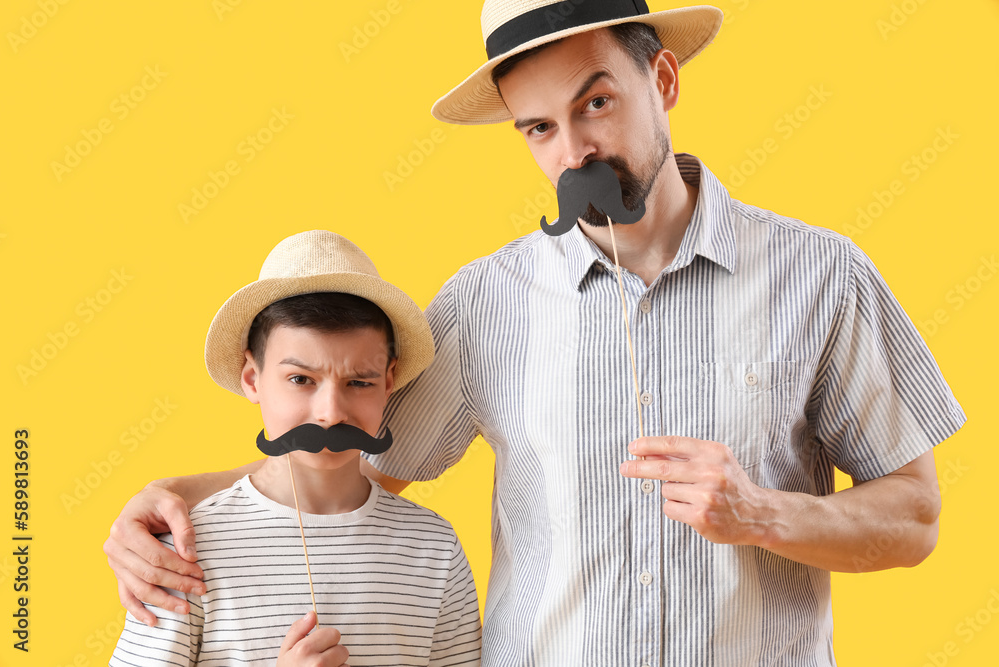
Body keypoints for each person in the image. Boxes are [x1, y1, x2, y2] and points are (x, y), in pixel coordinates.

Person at [104, 2, 966, 665]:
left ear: (662, 81)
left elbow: (915, 516)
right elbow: (344, 451)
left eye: (596, 103)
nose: (574, 153)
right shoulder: (485, 302)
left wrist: (763, 513)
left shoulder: (821, 274)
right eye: (539, 129)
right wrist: (173, 495)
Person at [109, 230, 481, 667]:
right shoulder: (186, 551)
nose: (330, 413)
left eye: (358, 382)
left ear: (389, 380)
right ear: (252, 379)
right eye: (301, 379)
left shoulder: (434, 547)